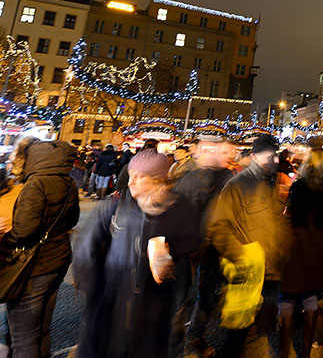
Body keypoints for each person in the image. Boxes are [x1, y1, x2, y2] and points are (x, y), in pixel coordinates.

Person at [73, 149, 199, 357]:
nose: (131, 182)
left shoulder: (179, 207)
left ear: (158, 180)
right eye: (131, 175)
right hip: (111, 300)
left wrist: (169, 249)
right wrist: (95, 294)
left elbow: (193, 239)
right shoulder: (114, 207)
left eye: (141, 178)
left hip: (153, 304)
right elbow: (87, 251)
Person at [207, 135, 289, 357]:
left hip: (267, 270)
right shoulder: (238, 185)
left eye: (276, 156)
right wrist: (242, 259)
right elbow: (219, 228)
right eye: (269, 156)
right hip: (247, 271)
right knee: (236, 334)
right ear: (253, 156)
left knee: (251, 330)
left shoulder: (267, 182)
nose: (275, 161)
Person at [0, 140, 79, 358]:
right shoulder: (68, 181)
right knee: (42, 330)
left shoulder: (35, 183)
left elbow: (24, 231)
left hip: (33, 267)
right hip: (58, 260)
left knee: (24, 337)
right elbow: (73, 220)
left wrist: (6, 238)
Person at [173, 139, 234, 357]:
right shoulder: (227, 179)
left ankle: (182, 342)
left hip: (199, 246)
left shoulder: (191, 179)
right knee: (200, 296)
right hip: (205, 246)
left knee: (187, 296)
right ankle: (191, 337)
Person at [280, 149, 323, 358]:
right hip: (320, 245)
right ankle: (305, 352)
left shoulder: (298, 186)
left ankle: (283, 349)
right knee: (311, 297)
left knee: (288, 296)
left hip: (297, 244)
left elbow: (290, 215)